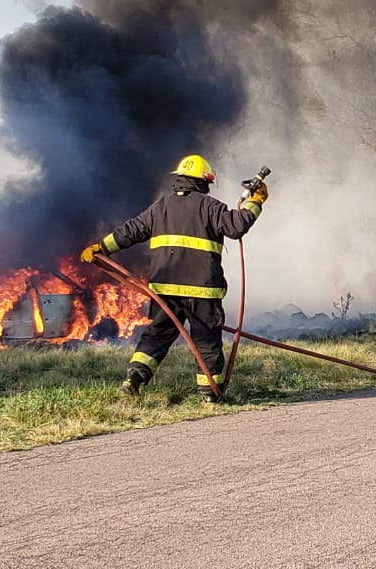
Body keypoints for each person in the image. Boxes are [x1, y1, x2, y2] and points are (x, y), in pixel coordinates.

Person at [80, 154, 267, 401]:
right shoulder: (210, 207)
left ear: (179, 180)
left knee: (156, 337)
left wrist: (101, 248)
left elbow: (131, 231)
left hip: (165, 291)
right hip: (201, 292)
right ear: (203, 182)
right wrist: (257, 201)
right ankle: (210, 394)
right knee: (207, 342)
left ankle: (133, 379)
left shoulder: (161, 207)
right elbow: (236, 226)